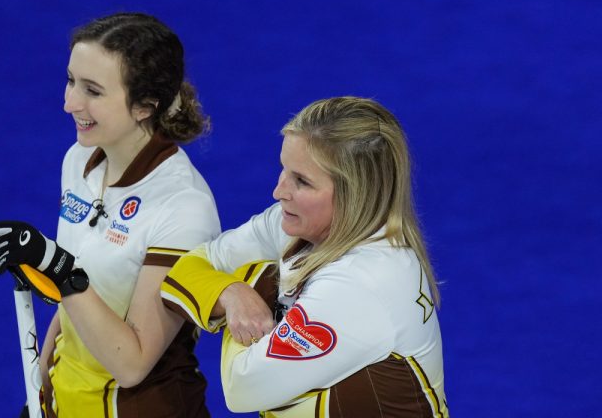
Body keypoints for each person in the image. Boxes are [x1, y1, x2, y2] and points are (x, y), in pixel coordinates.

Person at [0, 13, 220, 417]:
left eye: (93, 90)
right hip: (70, 402)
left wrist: (59, 270)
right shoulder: (79, 160)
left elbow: (133, 363)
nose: (69, 103)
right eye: (71, 80)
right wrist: (40, 392)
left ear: (145, 106)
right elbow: (73, 308)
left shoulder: (183, 206)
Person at [161, 97, 448, 417]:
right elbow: (182, 272)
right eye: (284, 169)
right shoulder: (290, 226)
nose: (279, 191)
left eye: (302, 181)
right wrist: (231, 294)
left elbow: (242, 387)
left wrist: (251, 281)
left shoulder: (363, 282)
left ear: (354, 193)